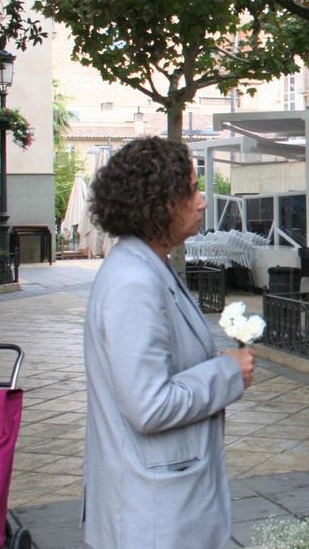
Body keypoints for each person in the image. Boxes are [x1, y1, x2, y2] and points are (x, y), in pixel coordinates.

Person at [82, 137, 255, 549]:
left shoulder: (147, 266)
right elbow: (149, 405)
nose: (202, 202)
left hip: (159, 507)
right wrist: (227, 371)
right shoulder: (134, 282)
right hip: (152, 518)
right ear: (157, 203)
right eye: (191, 190)